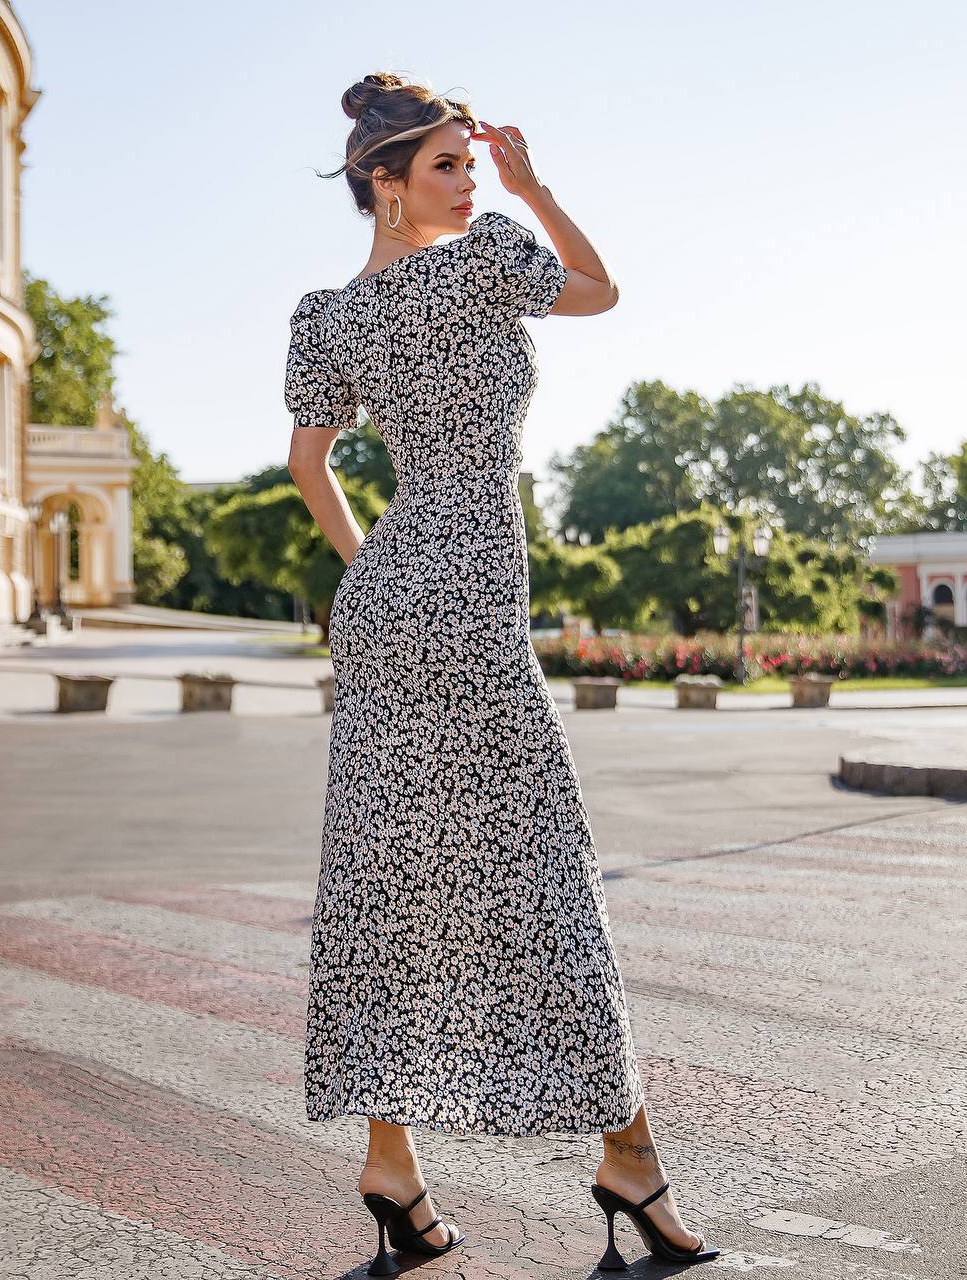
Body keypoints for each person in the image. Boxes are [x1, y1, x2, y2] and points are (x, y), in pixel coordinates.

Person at [285, 71, 719, 1275]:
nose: (472, 183)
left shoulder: (323, 315)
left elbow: (309, 468)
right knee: (541, 870)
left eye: (476, 167)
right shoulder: (488, 260)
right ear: (384, 181)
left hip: (384, 598)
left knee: (387, 878)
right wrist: (540, 191)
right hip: (468, 591)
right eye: (449, 166)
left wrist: (380, 570)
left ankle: (392, 1165)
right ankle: (628, 1159)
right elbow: (600, 289)